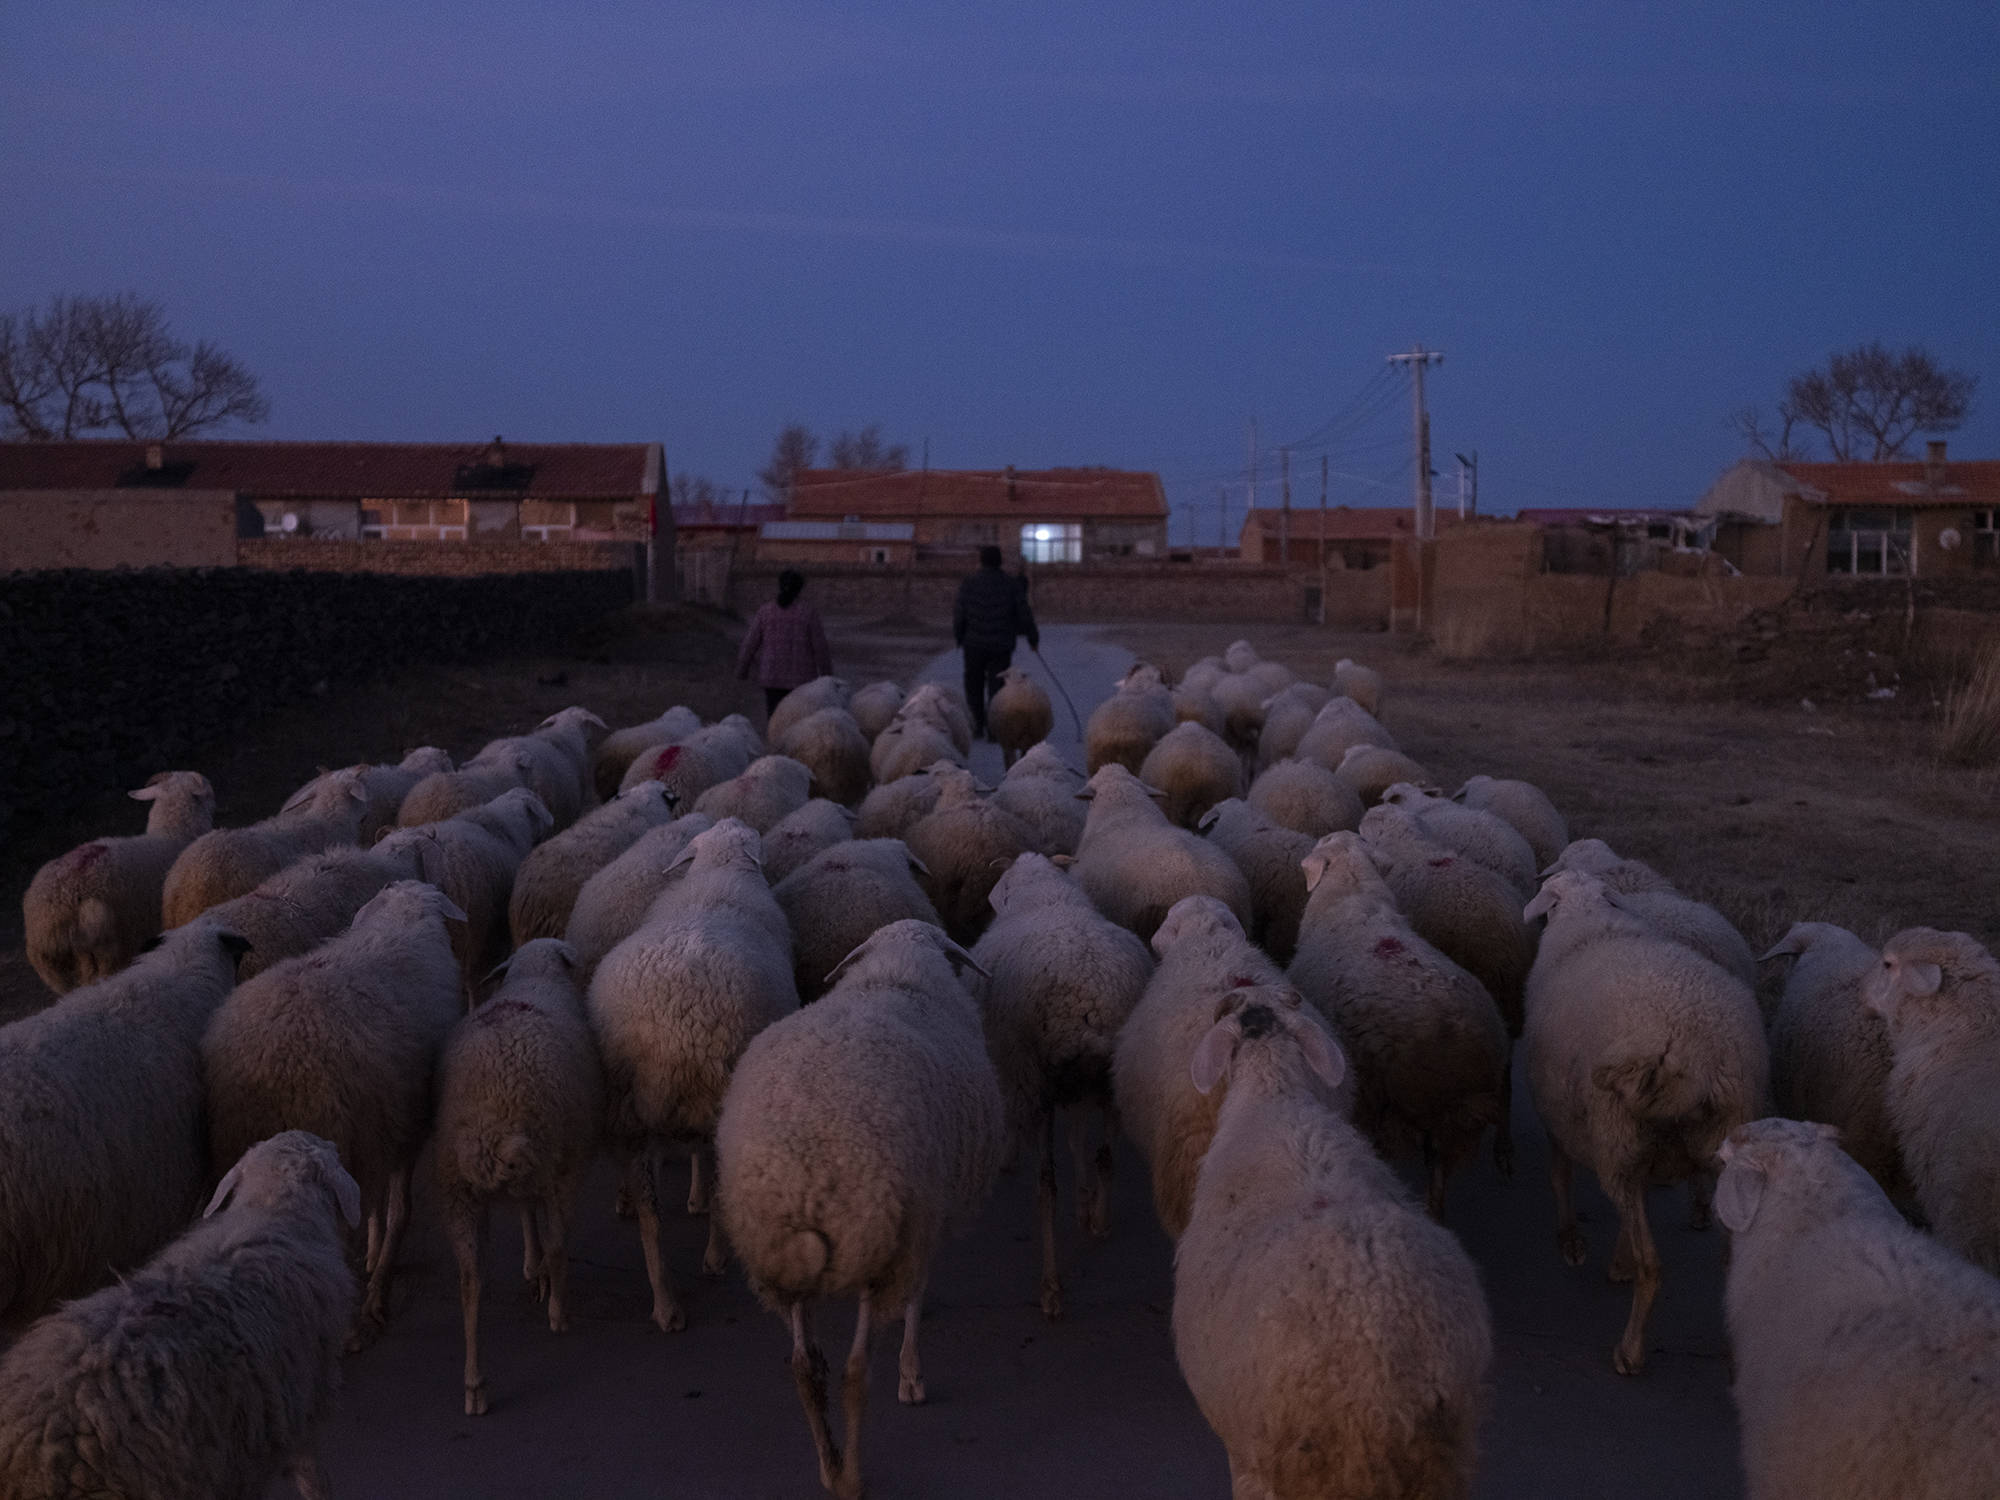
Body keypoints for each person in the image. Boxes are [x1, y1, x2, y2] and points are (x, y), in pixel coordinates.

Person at [954, 544, 1039, 739]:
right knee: (997, 686)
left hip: (973, 644)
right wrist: (1033, 638)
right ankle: (994, 728)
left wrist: (959, 636)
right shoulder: (1010, 584)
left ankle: (977, 725)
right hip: (1001, 644)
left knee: (973, 684)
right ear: (1000, 561)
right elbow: (1024, 613)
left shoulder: (969, 583)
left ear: (981, 561)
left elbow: (959, 613)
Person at [736, 569, 833, 718]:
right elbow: (820, 648)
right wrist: (827, 677)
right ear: (799, 589)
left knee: (775, 721)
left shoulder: (765, 611)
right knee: (799, 721)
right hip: (802, 680)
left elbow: (750, 643)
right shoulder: (808, 613)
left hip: (771, 677)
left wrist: (742, 670)